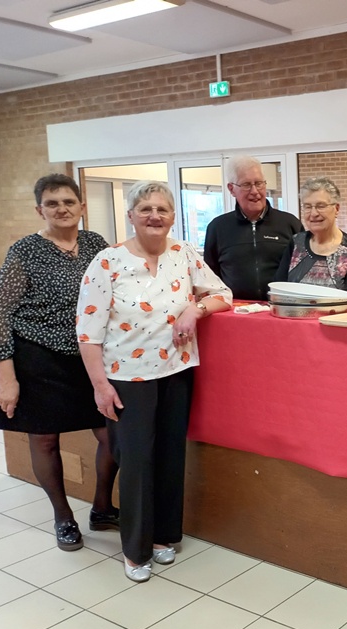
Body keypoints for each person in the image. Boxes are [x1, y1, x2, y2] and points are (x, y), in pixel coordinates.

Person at [77, 181, 232, 583]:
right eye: (145, 209)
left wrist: (194, 311)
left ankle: (163, 536)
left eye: (162, 209)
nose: (154, 216)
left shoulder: (184, 253)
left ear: (173, 216)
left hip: (176, 371)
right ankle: (135, 550)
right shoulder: (107, 262)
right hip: (127, 377)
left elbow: (222, 294)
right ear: (130, 215)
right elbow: (88, 333)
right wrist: (100, 385)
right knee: (136, 461)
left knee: (168, 456)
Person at [0, 174, 119, 552]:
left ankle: (102, 507)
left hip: (89, 358)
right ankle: (63, 517)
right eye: (52, 203)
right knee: (45, 439)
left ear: (82, 206)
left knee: (111, 435)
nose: (61, 209)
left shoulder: (96, 244)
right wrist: (5, 379)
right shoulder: (25, 251)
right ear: (40, 210)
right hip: (38, 358)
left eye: (68, 202)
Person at [203, 155, 303, 301]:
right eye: (246, 185)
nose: (255, 191)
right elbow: (210, 278)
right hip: (235, 310)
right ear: (231, 189)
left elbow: (303, 271)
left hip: (282, 307)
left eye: (259, 183)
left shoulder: (290, 223)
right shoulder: (217, 228)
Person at [275, 177, 347, 297]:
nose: (313, 213)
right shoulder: (296, 243)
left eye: (321, 206)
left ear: (336, 209)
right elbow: (279, 288)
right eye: (308, 206)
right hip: (291, 309)